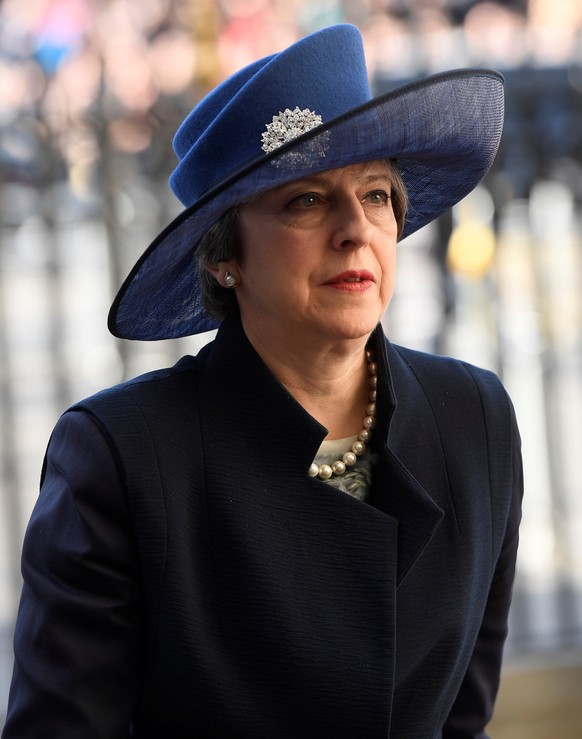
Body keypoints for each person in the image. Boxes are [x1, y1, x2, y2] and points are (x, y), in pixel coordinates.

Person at [3, 23, 522, 739]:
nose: (355, 229)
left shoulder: (476, 417)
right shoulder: (124, 457)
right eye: (305, 200)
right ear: (224, 257)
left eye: (375, 194)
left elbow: (464, 719)